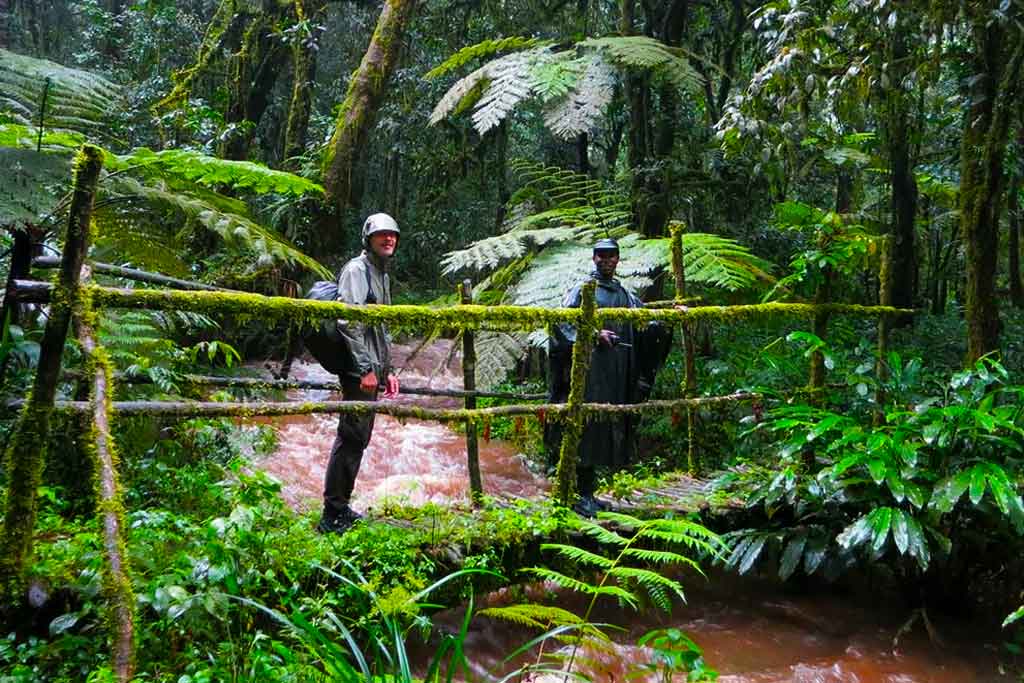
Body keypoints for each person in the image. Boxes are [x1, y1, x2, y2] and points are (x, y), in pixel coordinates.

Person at [547, 238, 671, 517]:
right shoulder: (581, 290)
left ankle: (588, 493)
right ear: (594, 258)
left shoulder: (623, 294)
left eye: (611, 255)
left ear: (617, 259)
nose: (606, 260)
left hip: (614, 374)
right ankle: (579, 495)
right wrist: (593, 335)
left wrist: (669, 316)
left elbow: (645, 319)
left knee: (603, 429)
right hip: (589, 375)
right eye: (601, 255)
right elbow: (561, 322)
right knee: (586, 427)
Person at [317, 213, 401, 533]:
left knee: (359, 438)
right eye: (381, 235)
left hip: (372, 370)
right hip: (358, 369)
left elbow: (383, 327)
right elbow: (348, 321)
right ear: (368, 238)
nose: (388, 239)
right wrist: (366, 369)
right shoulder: (357, 270)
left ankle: (341, 507)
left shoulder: (382, 275)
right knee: (350, 436)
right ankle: (331, 514)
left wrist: (388, 370)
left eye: (392, 235)